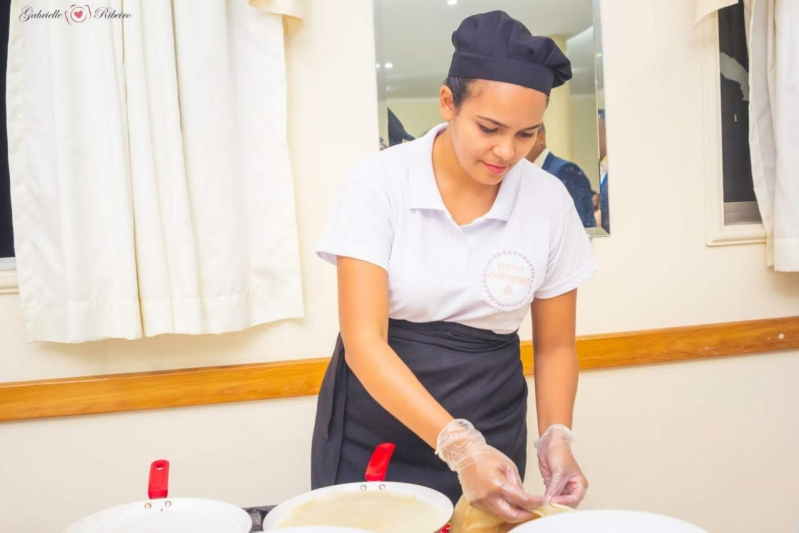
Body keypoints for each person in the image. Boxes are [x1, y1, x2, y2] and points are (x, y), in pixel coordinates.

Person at [312, 10, 598, 524]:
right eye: (489, 128)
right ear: (448, 103)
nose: (507, 151)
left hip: (493, 419)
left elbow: (555, 345)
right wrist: (457, 446)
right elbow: (364, 341)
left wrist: (557, 435)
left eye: (527, 134)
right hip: (378, 423)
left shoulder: (549, 200)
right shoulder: (381, 183)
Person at [525, 124, 596, 227]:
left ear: (541, 138)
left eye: (524, 135)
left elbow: (583, 224)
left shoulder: (567, 171)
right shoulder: (522, 174)